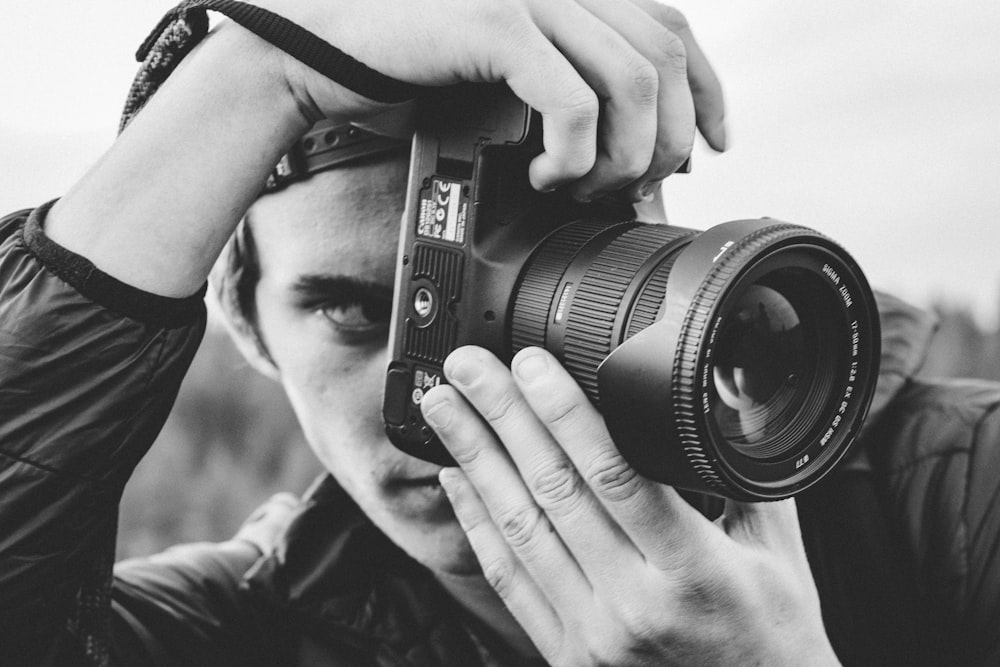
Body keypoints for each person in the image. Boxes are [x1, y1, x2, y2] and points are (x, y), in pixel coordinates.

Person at [0, 1, 997, 665]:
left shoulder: (960, 494)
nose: (439, 392)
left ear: (639, 258)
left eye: (507, 287)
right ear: (248, 326)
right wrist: (253, 71)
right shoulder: (232, 628)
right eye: (353, 312)